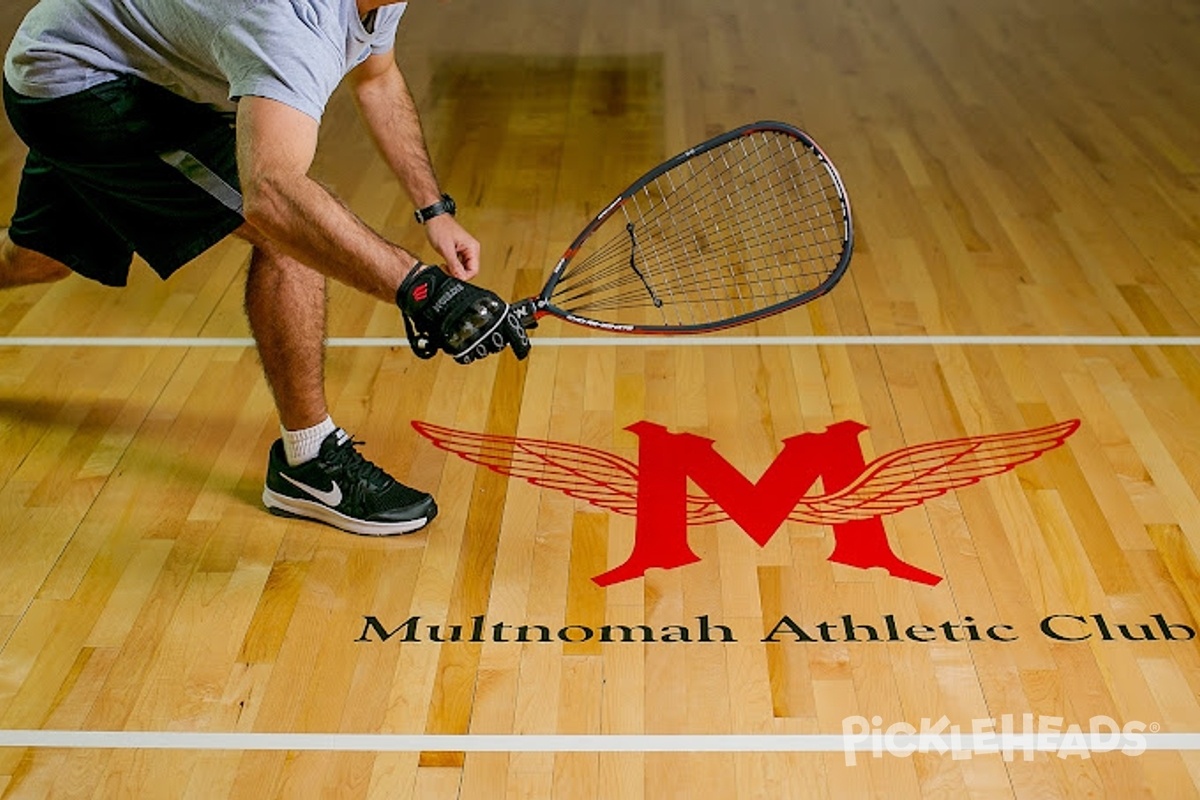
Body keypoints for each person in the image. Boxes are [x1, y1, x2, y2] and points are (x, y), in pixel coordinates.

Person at [0, 0, 530, 536]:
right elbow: (272, 195)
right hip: (78, 80)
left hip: (102, 53)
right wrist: (424, 291)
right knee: (288, 237)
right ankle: (309, 465)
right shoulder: (287, 23)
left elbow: (377, 78)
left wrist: (433, 208)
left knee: (39, 259)